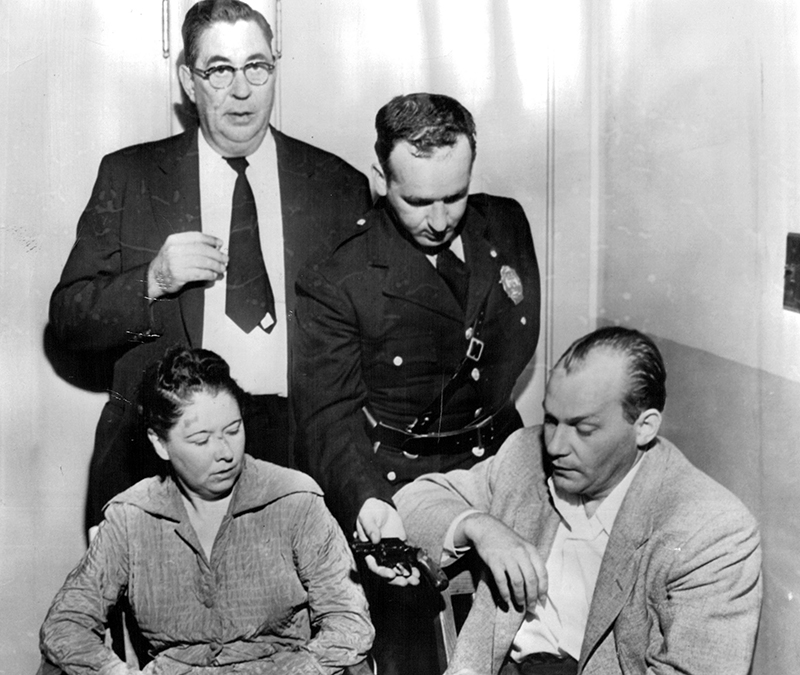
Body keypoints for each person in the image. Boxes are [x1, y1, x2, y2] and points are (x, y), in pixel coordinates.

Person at [48, 0, 372, 531]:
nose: (241, 90)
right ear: (187, 81)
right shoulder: (131, 177)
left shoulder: (337, 186)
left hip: (298, 450)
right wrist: (152, 281)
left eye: (257, 67)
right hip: (165, 453)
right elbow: (67, 320)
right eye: (219, 70)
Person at [293, 92, 540, 674]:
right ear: (381, 178)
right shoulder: (338, 271)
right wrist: (369, 506)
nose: (439, 219)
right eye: (417, 200)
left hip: (503, 457)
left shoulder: (505, 222)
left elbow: (507, 355)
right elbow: (326, 414)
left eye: (454, 196)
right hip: (398, 477)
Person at [393, 326, 763, 675]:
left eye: (583, 429)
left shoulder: (713, 531)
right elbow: (411, 504)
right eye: (552, 420)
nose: (554, 446)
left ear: (644, 427)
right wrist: (480, 527)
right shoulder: (525, 454)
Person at [38, 346, 374, 675]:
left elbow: (349, 623)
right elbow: (65, 625)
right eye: (201, 440)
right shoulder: (131, 517)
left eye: (233, 430)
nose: (226, 452)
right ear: (159, 443)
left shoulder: (295, 500)